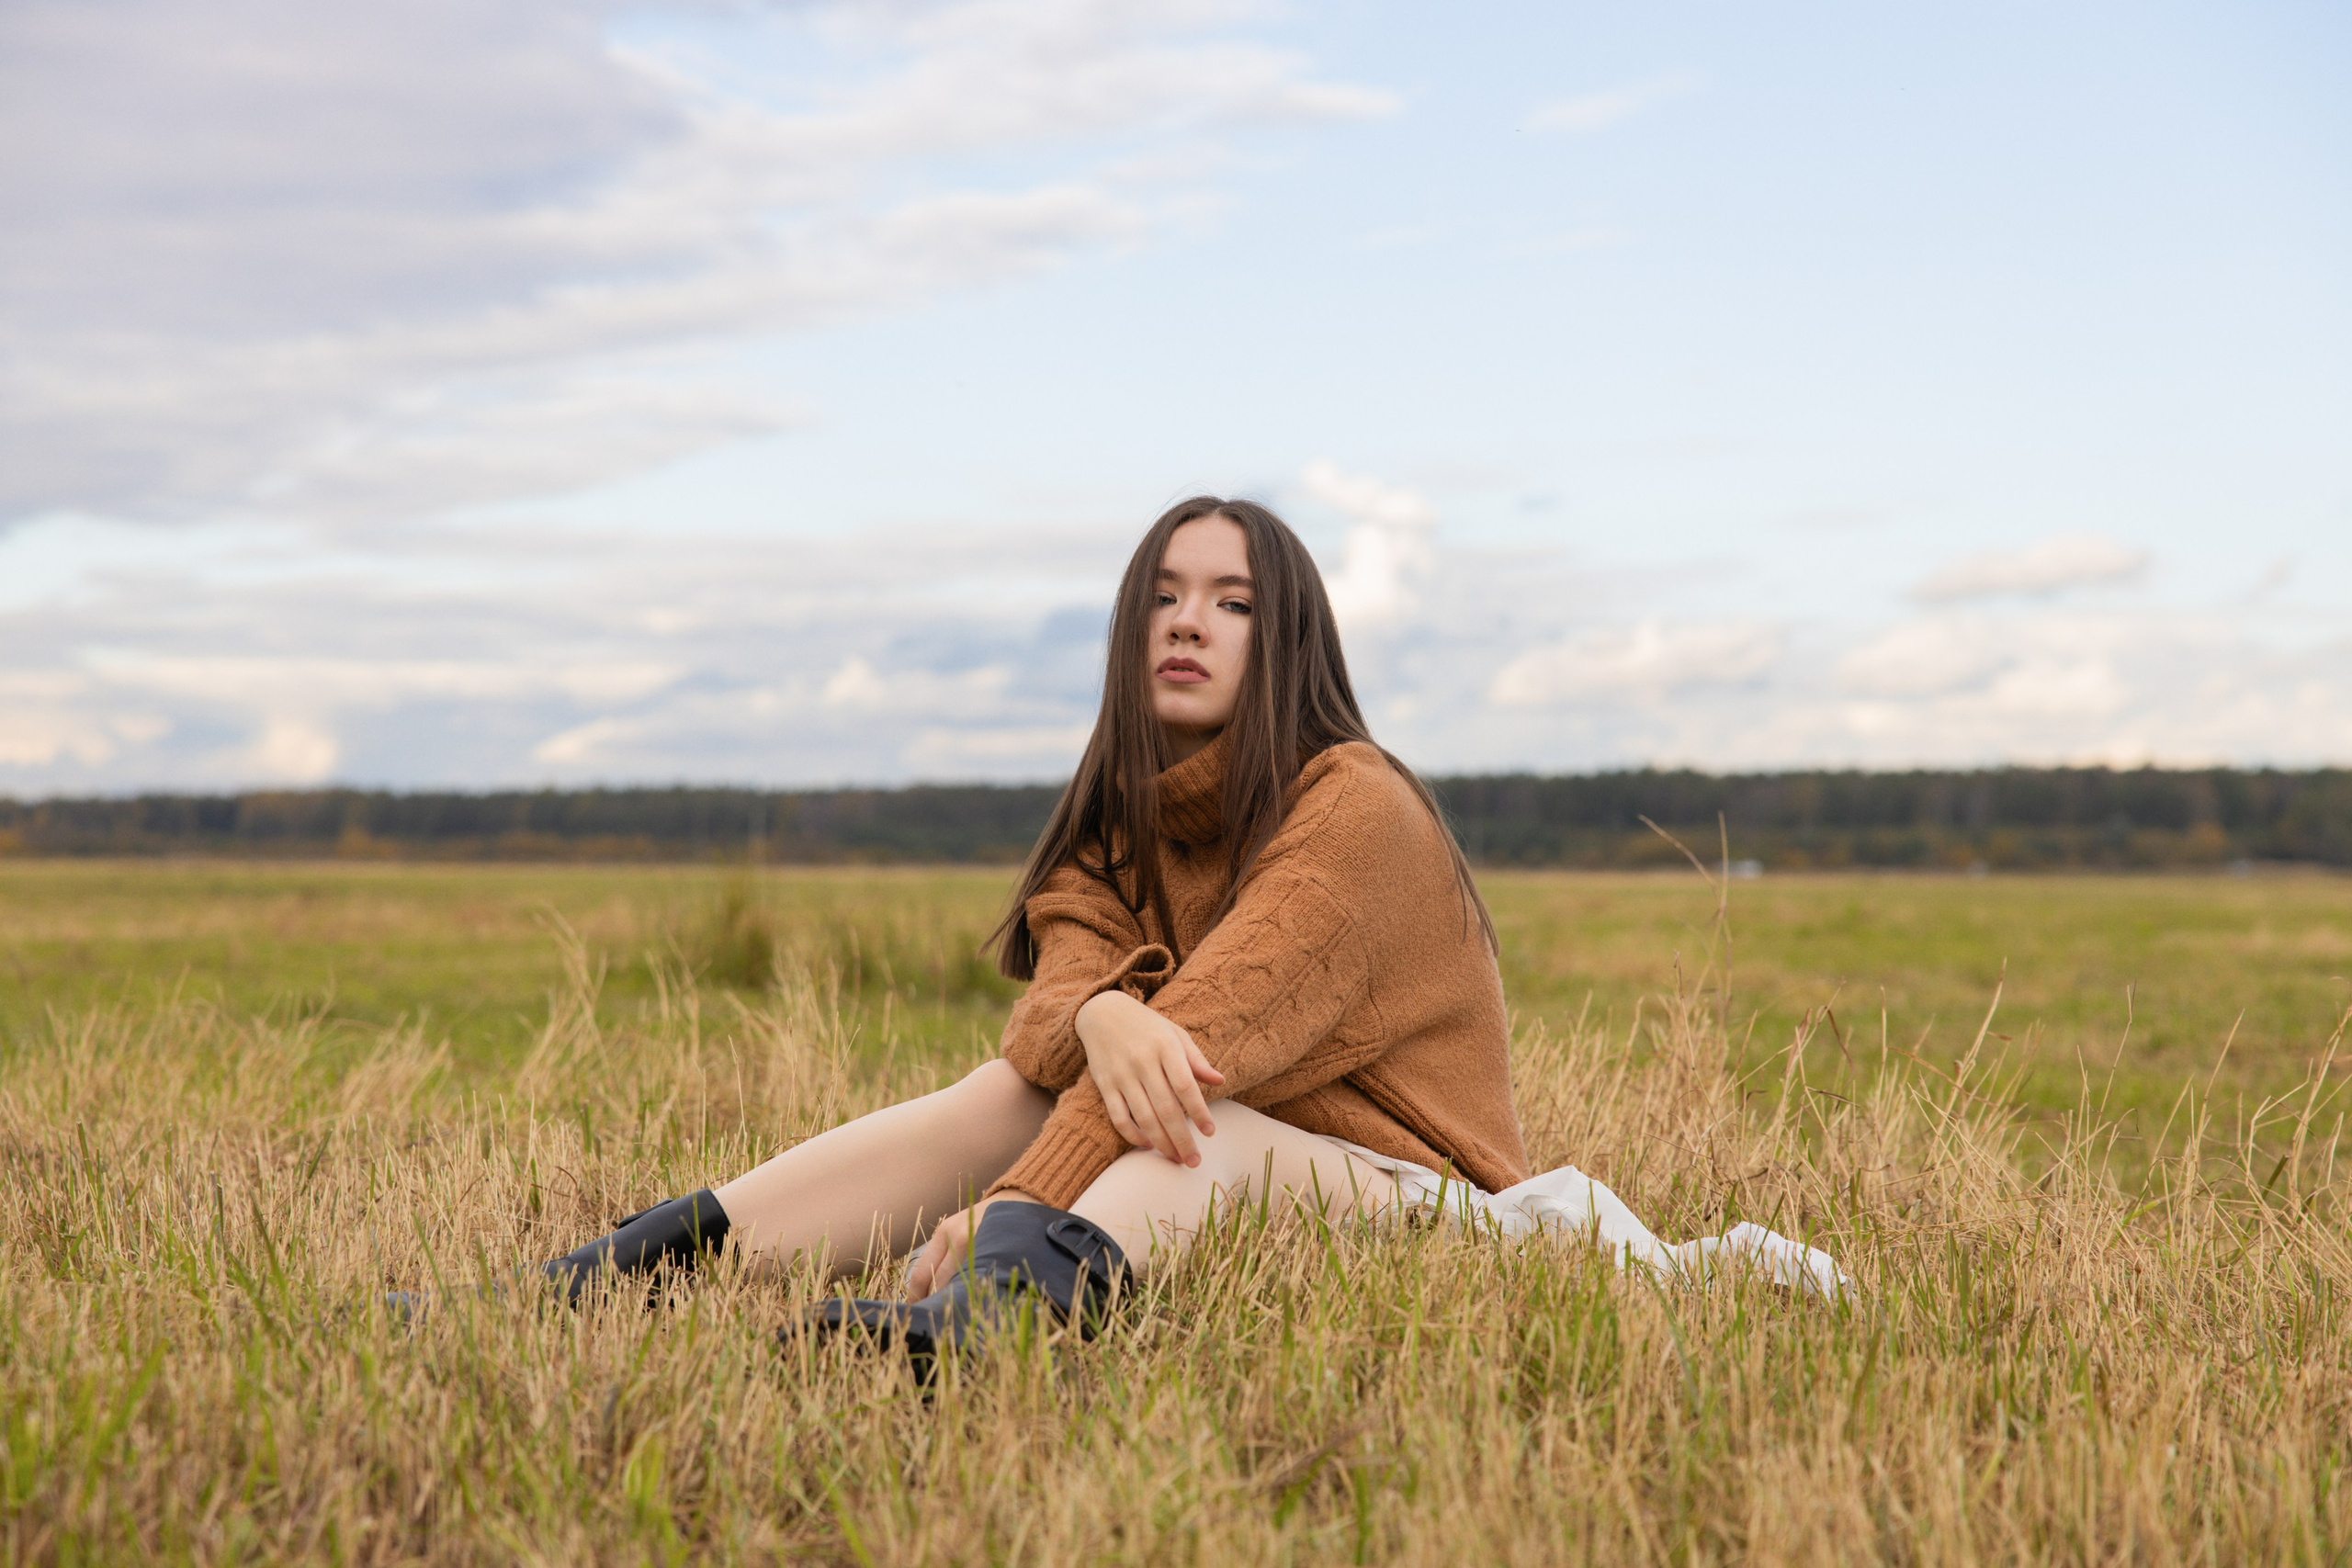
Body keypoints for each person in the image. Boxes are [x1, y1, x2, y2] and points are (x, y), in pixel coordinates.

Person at [486, 496, 1842, 1362]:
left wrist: (1023, 1202)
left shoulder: (1354, 810)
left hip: (1427, 1214)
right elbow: (1060, 1007)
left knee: (1203, 1121)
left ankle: (982, 1339)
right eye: (1168, 594)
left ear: (1287, 640)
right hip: (1232, 1155)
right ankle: (600, 1285)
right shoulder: (1120, 818)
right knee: (1006, 1088)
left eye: (1234, 603)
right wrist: (1097, 1008)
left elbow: (1203, 1052)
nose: (1191, 621)